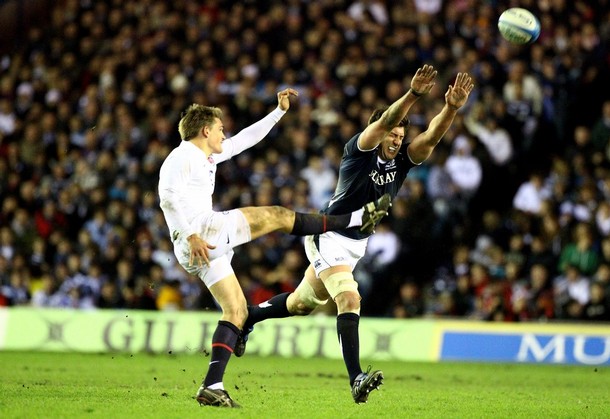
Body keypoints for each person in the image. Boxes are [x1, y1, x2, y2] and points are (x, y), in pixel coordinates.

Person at [235, 67, 475, 403]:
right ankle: (356, 378)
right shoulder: (359, 151)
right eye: (392, 134)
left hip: (356, 245)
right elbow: (385, 120)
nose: (397, 140)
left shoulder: (402, 162)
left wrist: (450, 108)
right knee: (349, 298)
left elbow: (432, 137)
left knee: (301, 303)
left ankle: (249, 316)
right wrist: (413, 95)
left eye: (401, 136)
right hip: (329, 233)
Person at [157, 88, 391, 408]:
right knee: (278, 216)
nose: (225, 133)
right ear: (205, 131)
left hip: (200, 245)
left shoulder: (207, 155)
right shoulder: (182, 156)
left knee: (237, 312)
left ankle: (212, 386)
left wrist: (278, 112)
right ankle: (354, 219)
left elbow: (244, 140)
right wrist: (189, 235)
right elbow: (167, 199)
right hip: (200, 233)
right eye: (220, 128)